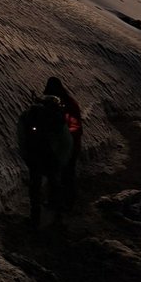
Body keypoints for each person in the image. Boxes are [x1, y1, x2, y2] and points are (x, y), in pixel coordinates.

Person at [17, 94, 73, 229]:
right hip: (51, 158)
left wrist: (25, 153)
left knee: (35, 186)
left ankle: (35, 217)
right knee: (55, 185)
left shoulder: (28, 116)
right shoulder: (57, 118)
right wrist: (61, 160)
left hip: (34, 156)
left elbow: (21, 135)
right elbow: (66, 142)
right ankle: (56, 217)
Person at [44, 76, 82, 207]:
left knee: (67, 174)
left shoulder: (69, 105)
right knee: (55, 174)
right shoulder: (53, 105)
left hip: (69, 145)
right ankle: (56, 200)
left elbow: (75, 127)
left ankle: (68, 201)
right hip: (57, 146)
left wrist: (64, 136)